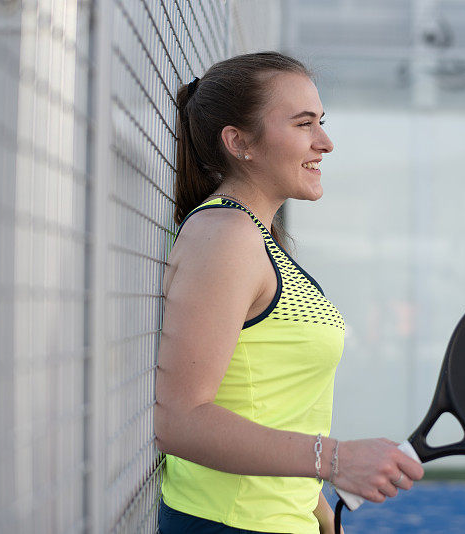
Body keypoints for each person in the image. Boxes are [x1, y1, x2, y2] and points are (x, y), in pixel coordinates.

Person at [154, 51, 424, 534]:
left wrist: (320, 513)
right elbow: (181, 420)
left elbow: (277, 408)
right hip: (232, 524)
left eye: (321, 122)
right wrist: (337, 459)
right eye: (304, 124)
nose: (326, 142)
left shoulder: (256, 237)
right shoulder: (226, 236)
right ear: (240, 143)